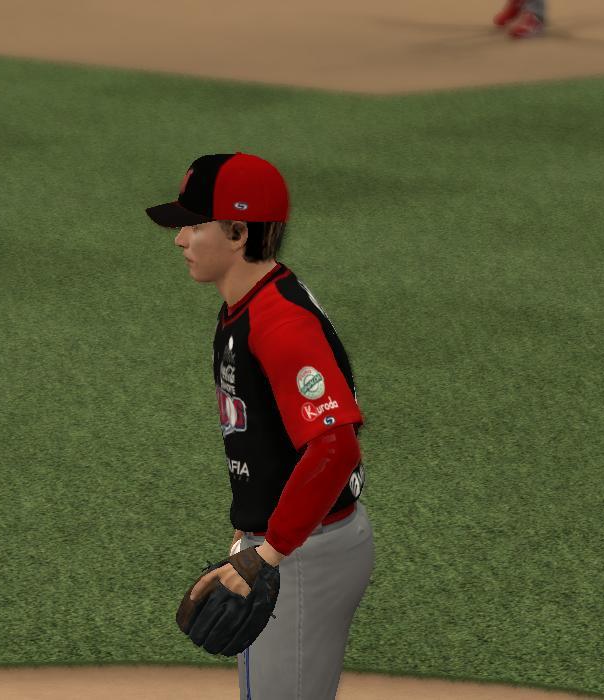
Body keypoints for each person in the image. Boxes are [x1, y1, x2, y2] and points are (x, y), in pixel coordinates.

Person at [146, 152, 375, 699]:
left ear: (238, 232)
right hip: (288, 541)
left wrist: (268, 552)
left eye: (194, 225)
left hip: (305, 550)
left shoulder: (279, 322)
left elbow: (335, 448)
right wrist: (248, 532)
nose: (180, 239)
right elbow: (267, 435)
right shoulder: (243, 308)